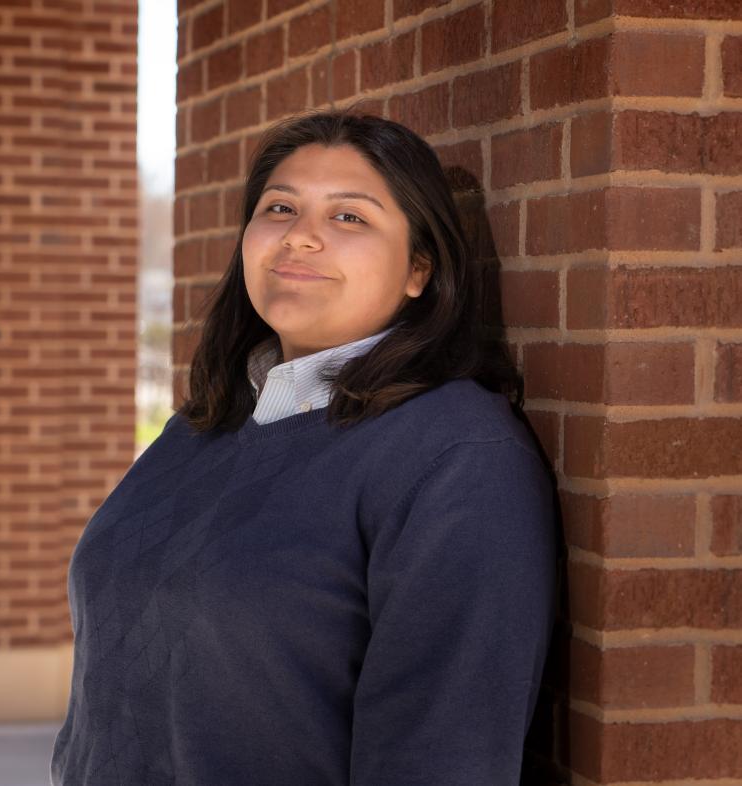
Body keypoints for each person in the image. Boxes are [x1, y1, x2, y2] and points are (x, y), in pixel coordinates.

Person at [50, 109, 558, 786]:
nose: (301, 238)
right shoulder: (207, 424)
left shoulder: (456, 458)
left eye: (349, 217)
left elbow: (442, 758)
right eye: (280, 208)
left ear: (419, 269)